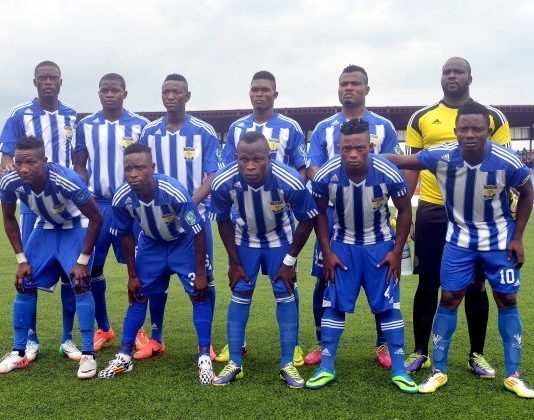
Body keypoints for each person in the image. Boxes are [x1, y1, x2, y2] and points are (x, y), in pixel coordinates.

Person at [385, 101, 533, 398]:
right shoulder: (441, 156)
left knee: (506, 299)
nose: (470, 134)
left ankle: (513, 375)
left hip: (498, 241)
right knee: (449, 298)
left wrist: (518, 237)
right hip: (458, 241)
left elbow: (528, 193)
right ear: (455, 130)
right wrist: (360, 155)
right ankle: (438, 370)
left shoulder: (507, 161)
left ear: (487, 131)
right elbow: (400, 160)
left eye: (477, 129)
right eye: (464, 128)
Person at [403, 57, 512, 376]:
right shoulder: (421, 118)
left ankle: (476, 354)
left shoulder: (493, 117)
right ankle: (420, 351)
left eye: (458, 71)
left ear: (470, 77)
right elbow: (411, 169)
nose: (452, 76)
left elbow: (504, 168)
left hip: (477, 216)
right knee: (428, 282)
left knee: (477, 285)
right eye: (447, 71)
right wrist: (405, 214)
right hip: (434, 210)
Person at [305, 119, 416, 393]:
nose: (353, 154)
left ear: (370, 147)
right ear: (339, 148)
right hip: (342, 247)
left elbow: (405, 210)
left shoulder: (388, 172)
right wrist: (327, 252)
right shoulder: (326, 174)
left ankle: (399, 370)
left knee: (389, 307)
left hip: (380, 247)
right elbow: (319, 214)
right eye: (346, 149)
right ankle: (326, 367)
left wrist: (396, 251)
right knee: (334, 306)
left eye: (360, 148)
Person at [305, 64, 403, 367]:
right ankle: (322, 342)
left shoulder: (384, 127)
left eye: (355, 83)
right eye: (344, 83)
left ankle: (383, 344)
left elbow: (396, 166)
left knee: (381, 280)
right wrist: (333, 188)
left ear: (366, 89)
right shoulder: (324, 128)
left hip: (373, 218)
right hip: (333, 217)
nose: (349, 88)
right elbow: (313, 167)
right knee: (326, 278)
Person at [98, 144, 213, 384]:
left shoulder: (173, 191)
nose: (133, 174)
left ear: (152, 168)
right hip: (151, 245)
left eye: (140, 168)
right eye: (128, 169)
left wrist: (201, 272)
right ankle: (124, 356)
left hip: (182, 242)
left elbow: (198, 230)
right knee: (138, 295)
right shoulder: (121, 197)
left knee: (199, 294)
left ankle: (204, 357)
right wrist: (132, 275)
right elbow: (125, 235)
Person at [210, 131, 317, 388]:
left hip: (280, 240)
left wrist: (289, 261)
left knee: (284, 292)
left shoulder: (289, 180)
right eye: (243, 159)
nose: (250, 166)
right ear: (236, 158)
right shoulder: (223, 181)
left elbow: (307, 219)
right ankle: (235, 363)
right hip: (244, 240)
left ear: (268, 157)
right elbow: (222, 220)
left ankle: (287, 363)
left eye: (257, 159)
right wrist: (234, 262)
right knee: (240, 292)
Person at [218, 70, 308, 365]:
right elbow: (228, 169)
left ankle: (293, 346)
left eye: (265, 89)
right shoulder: (236, 128)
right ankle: (237, 345)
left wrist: (289, 197)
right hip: (244, 221)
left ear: (274, 94)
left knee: (286, 284)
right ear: (249, 93)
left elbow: (301, 168)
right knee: (240, 286)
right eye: (255, 89)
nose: (259, 94)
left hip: (279, 218)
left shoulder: (290, 127)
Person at [0, 136, 103, 379]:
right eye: (19, 162)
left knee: (80, 283)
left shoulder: (66, 179)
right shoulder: (9, 181)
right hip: (45, 226)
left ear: (44, 161)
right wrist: (21, 260)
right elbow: (9, 218)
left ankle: (88, 354)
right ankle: (18, 351)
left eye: (31, 162)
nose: (24, 168)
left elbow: (96, 217)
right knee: (24, 282)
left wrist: (82, 260)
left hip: (76, 224)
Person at [138, 73, 222, 360]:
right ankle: (156, 338)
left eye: (176, 92)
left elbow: (212, 175)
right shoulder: (149, 132)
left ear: (187, 96)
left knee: (204, 278)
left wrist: (186, 205)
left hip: (193, 220)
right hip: (155, 221)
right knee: (156, 280)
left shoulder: (204, 132)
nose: (171, 96)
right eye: (166, 92)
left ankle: (206, 342)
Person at [0, 61, 79, 362]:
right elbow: (6, 157)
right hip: (32, 205)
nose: (48, 82)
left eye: (53, 78)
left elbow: (77, 158)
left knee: (71, 273)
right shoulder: (20, 113)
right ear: (35, 82)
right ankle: (30, 340)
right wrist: (13, 177)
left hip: (66, 205)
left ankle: (68, 339)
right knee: (29, 272)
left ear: (61, 82)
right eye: (43, 78)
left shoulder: (71, 114)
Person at [74, 73, 149, 353]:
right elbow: (80, 163)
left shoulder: (140, 125)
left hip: (132, 205)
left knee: (139, 268)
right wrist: (83, 188)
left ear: (124, 94)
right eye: (104, 90)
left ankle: (138, 329)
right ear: (98, 93)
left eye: (114, 90)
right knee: (93, 267)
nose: (109, 95)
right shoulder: (85, 126)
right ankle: (104, 327)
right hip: (99, 205)